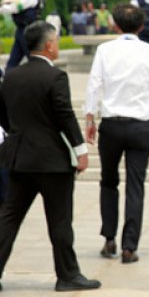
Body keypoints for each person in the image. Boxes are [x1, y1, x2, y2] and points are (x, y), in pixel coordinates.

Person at [0, 21, 101, 292]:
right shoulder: (55, 77)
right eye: (55, 41)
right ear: (48, 45)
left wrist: (19, 137)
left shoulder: (11, 76)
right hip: (52, 162)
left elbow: (4, 116)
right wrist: (81, 151)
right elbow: (64, 116)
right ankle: (67, 275)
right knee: (59, 221)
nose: (56, 45)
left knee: (8, 219)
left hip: (20, 160)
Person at [84, 3, 149, 264]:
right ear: (142, 26)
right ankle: (129, 246)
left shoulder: (105, 50)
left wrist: (90, 116)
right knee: (136, 186)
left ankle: (109, 239)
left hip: (111, 124)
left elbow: (94, 84)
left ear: (115, 24)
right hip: (139, 124)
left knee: (108, 181)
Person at [0, 0, 42, 70]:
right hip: (21, 30)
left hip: (28, 31)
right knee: (12, 62)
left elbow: (16, 7)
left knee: (34, 60)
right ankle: (7, 83)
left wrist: (2, 7)